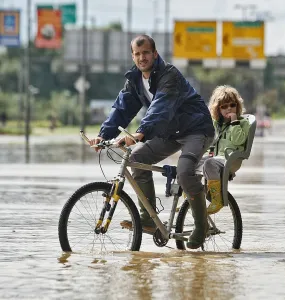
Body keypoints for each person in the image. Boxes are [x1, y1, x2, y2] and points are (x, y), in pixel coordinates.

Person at [89, 35, 215, 249]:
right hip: (171, 132)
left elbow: (161, 108)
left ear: (155, 54)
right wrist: (103, 135)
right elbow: (122, 109)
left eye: (146, 53)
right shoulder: (135, 80)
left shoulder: (169, 75)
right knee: (137, 157)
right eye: (137, 54)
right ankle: (148, 219)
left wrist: (140, 133)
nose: (142, 58)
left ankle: (201, 227)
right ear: (133, 56)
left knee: (184, 171)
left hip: (196, 129)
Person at [199, 85, 250, 214]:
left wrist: (234, 122)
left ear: (237, 106)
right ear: (218, 109)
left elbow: (238, 140)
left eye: (232, 105)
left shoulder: (242, 123)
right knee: (191, 161)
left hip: (230, 160)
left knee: (209, 163)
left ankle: (217, 199)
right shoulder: (216, 124)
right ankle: (191, 194)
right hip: (215, 157)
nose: (229, 109)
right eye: (224, 106)